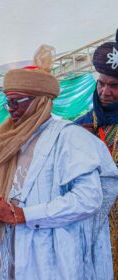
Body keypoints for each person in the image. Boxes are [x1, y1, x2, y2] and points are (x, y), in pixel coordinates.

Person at [0, 45, 118, 279]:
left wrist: (24, 214)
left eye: (16, 102)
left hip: (50, 254)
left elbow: (88, 198)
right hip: (7, 249)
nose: (10, 110)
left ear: (39, 101)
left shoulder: (70, 137)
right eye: (7, 102)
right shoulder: (3, 139)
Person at [75, 28, 118, 275]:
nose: (105, 92)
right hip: (91, 221)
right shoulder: (82, 124)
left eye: (114, 86)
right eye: (101, 83)